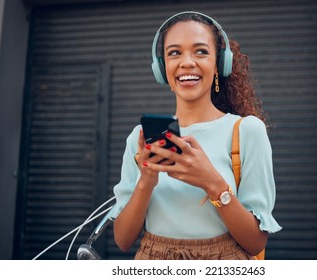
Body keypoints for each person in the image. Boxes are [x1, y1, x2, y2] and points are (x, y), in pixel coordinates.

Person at [112, 11, 281, 260]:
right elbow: (123, 240)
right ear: (162, 68)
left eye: (200, 51)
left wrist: (212, 182)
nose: (187, 62)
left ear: (219, 64)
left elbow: (255, 242)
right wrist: (146, 180)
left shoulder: (246, 131)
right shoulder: (139, 138)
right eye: (174, 53)